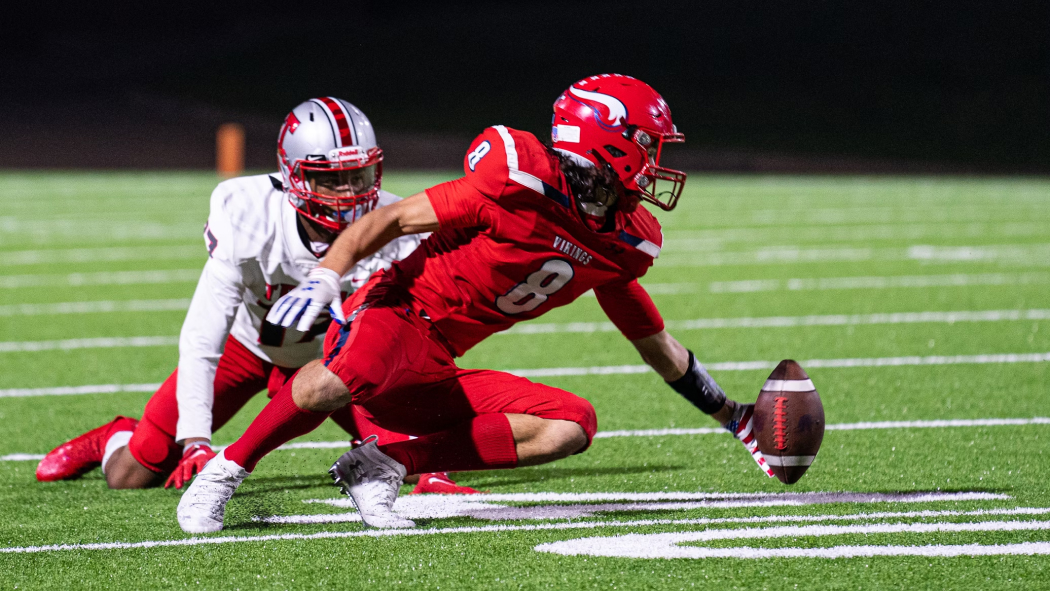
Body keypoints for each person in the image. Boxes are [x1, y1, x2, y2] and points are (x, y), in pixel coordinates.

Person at [177, 74, 773, 534]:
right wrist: (328, 278)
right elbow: (394, 217)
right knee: (347, 374)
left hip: (436, 362)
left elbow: (654, 342)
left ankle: (382, 465)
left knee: (571, 426)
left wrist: (731, 415)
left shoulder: (625, 241)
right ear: (610, 147)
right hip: (395, 312)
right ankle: (225, 469)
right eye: (649, 145)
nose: (658, 162)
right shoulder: (517, 175)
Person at [36, 97, 476, 495]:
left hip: (334, 364)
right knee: (131, 475)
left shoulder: (394, 226)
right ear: (294, 177)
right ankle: (113, 435)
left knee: (420, 461)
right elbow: (203, 335)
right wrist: (195, 442)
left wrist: (429, 453)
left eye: (358, 176)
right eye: (332, 180)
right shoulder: (247, 213)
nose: (350, 195)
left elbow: (412, 338)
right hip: (247, 348)